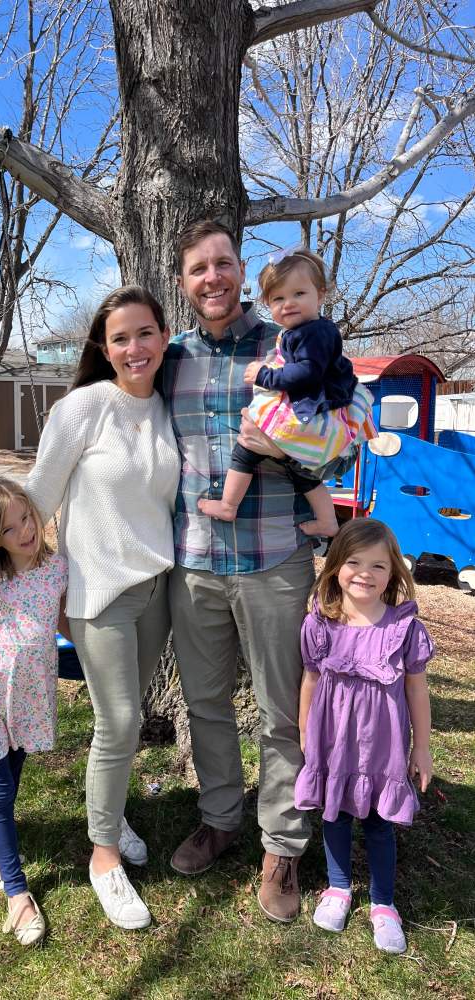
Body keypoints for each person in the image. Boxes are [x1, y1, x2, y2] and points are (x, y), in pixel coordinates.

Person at [164, 219, 335, 922]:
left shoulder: (289, 345)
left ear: (242, 271)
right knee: (204, 703)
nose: (213, 277)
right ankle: (220, 819)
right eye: (199, 268)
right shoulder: (168, 358)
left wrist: (288, 451)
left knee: (280, 712)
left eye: (223, 263)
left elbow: (338, 445)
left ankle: (282, 844)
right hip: (195, 561)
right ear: (184, 281)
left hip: (275, 559)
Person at [26, 286, 180, 930]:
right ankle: (103, 857)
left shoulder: (172, 409)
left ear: (164, 337)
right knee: (117, 722)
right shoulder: (82, 409)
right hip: (97, 593)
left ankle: (110, 810)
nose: (134, 348)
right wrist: (38, 589)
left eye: (145, 333)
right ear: (103, 347)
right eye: (120, 338)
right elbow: (33, 505)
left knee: (131, 715)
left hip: (157, 591)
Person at [296, 519, 433, 954]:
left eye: (378, 565)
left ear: (393, 571)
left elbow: (416, 687)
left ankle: (383, 903)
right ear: (335, 566)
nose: (365, 573)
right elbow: (311, 680)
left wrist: (423, 749)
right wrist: (304, 732)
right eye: (353, 561)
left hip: (383, 748)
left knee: (377, 823)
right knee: (334, 813)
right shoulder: (321, 625)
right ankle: (337, 888)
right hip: (333, 742)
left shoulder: (403, 628)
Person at [0, 478, 68, 947]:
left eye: (26, 518)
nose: (25, 531)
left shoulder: (59, 569)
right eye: (9, 528)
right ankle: (17, 895)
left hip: (29, 698)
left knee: (12, 778)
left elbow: (66, 625)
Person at [199, 248, 376, 535]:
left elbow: (307, 371)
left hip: (314, 412)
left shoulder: (313, 332)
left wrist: (265, 374)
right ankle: (328, 521)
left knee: (246, 447)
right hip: (316, 409)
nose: (288, 303)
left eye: (298, 294)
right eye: (278, 298)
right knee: (301, 469)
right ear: (268, 304)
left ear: (321, 294)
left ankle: (228, 505)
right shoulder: (303, 331)